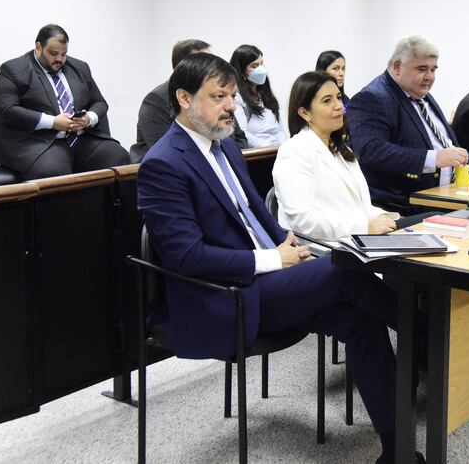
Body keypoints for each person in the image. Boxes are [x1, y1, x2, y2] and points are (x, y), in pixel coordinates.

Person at [137, 53, 424, 464]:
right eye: (219, 96)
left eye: (232, 95)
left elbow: (256, 214)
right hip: (226, 295)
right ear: (184, 97)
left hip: (269, 281)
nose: (231, 106)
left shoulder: (226, 148)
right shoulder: (162, 164)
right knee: (347, 269)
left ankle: (398, 454)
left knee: (363, 322)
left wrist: (290, 247)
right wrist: (275, 259)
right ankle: (426, 334)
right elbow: (186, 257)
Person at [273, 71, 401, 243]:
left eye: (338, 98)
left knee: (430, 222)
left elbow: (361, 207)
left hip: (361, 239)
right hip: (330, 248)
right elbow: (303, 221)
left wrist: (385, 220)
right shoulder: (294, 151)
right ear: (305, 113)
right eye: (327, 101)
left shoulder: (340, 149)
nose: (339, 106)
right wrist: (364, 228)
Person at [0, 24, 129, 180]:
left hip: (80, 137)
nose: (60, 59)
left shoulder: (80, 68)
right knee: (54, 173)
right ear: (38, 47)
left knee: (118, 157)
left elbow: (100, 102)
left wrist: (88, 118)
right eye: (53, 53)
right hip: (37, 142)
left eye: (64, 54)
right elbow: (7, 110)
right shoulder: (14, 70)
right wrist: (53, 122)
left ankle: (107, 205)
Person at [347, 35, 468, 214]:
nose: (429, 77)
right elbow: (371, 150)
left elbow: (446, 144)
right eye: (422, 69)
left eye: (433, 69)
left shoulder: (421, 94)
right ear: (397, 67)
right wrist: (434, 159)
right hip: (403, 206)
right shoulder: (371, 98)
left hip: (448, 197)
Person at [129, 39, 246, 163]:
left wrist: (231, 155)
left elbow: (238, 137)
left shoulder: (224, 101)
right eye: (203, 61)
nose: (214, 65)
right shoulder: (157, 100)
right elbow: (170, 150)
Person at [230, 44, 286, 147]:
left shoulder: (266, 94)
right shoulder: (237, 98)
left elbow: (280, 129)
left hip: (277, 151)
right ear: (242, 72)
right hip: (257, 154)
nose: (261, 69)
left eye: (261, 64)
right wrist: (269, 145)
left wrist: (285, 147)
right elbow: (242, 133)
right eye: (254, 66)